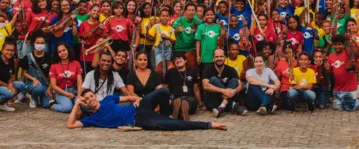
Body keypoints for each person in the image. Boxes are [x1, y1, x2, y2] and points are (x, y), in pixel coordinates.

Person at [66, 88, 227, 131]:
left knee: (163, 91)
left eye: (91, 96)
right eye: (86, 100)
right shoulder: (91, 119)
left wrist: (138, 99)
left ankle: (167, 113)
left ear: (95, 95)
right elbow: (70, 125)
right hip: (139, 120)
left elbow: (128, 98)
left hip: (139, 107)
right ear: (85, 103)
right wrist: (76, 104)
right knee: (174, 126)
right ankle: (209, 124)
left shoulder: (108, 99)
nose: (90, 100)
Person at [202, 49, 246, 117]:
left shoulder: (231, 69)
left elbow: (240, 85)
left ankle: (221, 107)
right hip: (213, 100)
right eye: (217, 57)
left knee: (234, 80)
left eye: (221, 56)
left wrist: (233, 91)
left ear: (225, 57)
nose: (219, 58)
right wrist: (224, 91)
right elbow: (205, 86)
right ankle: (233, 105)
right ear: (213, 58)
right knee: (213, 79)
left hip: (226, 99)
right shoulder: (208, 69)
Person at [326, 34, 359, 111]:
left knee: (350, 108)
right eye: (335, 45)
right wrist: (327, 69)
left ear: (343, 45)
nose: (337, 46)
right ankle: (349, 99)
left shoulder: (349, 53)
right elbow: (329, 73)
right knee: (338, 108)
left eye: (339, 44)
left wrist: (354, 40)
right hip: (337, 90)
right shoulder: (330, 56)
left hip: (350, 89)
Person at [164, 54, 203, 121]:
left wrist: (200, 103)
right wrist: (166, 100)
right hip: (175, 98)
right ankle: (183, 112)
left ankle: (179, 112)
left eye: (180, 58)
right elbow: (165, 88)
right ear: (174, 63)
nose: (178, 60)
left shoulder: (192, 71)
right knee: (176, 102)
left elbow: (196, 89)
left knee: (190, 102)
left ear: (185, 61)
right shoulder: (170, 72)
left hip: (189, 97)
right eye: (175, 59)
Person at [49, 42, 83, 113]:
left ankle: (73, 104)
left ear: (68, 50)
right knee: (67, 108)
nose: (62, 53)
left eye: (64, 50)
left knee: (83, 105)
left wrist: (79, 96)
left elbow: (79, 82)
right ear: (57, 54)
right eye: (59, 52)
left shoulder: (76, 63)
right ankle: (52, 105)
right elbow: (53, 86)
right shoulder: (54, 66)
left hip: (74, 91)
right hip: (60, 92)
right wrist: (67, 94)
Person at [20, 34, 53, 108]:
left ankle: (41, 97)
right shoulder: (28, 57)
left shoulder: (49, 57)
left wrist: (50, 88)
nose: (40, 45)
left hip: (44, 84)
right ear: (34, 44)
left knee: (46, 105)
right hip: (31, 83)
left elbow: (52, 74)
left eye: (42, 43)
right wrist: (33, 79)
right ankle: (33, 97)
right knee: (38, 88)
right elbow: (23, 73)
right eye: (38, 43)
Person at [173, 3, 202, 71]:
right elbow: (171, 33)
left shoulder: (197, 21)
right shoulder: (180, 20)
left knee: (191, 68)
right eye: (189, 10)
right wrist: (177, 30)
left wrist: (196, 26)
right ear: (185, 11)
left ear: (195, 11)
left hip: (190, 49)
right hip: (179, 48)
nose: (191, 12)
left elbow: (202, 26)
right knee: (178, 68)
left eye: (193, 10)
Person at [78, 4, 104, 74]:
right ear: (90, 11)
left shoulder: (100, 24)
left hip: (96, 53)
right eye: (94, 10)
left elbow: (103, 38)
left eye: (98, 11)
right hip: (86, 53)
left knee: (97, 75)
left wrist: (103, 30)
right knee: (86, 74)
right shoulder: (83, 24)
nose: (96, 12)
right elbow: (80, 38)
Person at [148, 7, 175, 73]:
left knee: (167, 67)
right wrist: (148, 28)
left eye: (167, 16)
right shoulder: (156, 26)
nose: (165, 17)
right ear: (159, 17)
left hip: (168, 49)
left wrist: (167, 37)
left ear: (169, 17)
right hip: (158, 49)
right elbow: (149, 37)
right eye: (163, 16)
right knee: (159, 68)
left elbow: (174, 41)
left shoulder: (171, 28)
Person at [195, 8, 223, 73]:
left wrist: (224, 33)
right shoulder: (201, 27)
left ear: (214, 16)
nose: (209, 16)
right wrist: (198, 56)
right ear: (204, 16)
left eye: (211, 14)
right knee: (204, 76)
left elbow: (222, 40)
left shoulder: (218, 27)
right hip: (204, 57)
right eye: (207, 15)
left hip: (216, 58)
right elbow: (198, 42)